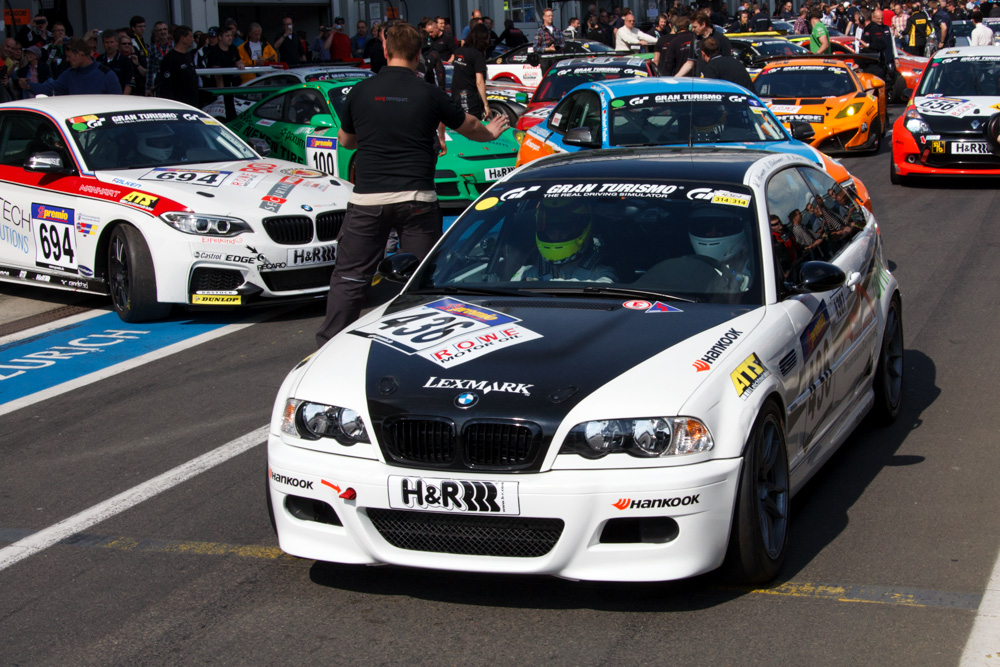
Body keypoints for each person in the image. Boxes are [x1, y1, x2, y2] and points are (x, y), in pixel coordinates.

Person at [315, 21, 509, 347]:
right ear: (419, 55)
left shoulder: (361, 92)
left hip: (368, 202)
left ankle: (328, 348)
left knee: (350, 278)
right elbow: (469, 124)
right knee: (419, 280)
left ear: (386, 51)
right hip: (417, 199)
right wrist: (490, 133)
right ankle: (420, 349)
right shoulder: (429, 93)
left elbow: (346, 142)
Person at [511, 200, 616, 282]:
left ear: (582, 228)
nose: (557, 236)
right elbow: (510, 290)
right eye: (551, 231)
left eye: (564, 230)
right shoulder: (529, 272)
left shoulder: (599, 271)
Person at [21, 37, 121, 96]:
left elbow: (118, 107)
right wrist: (29, 85)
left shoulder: (107, 75)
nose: (67, 60)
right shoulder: (69, 74)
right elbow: (49, 89)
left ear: (80, 54)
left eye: (69, 56)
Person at [676, 11, 731, 77]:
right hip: (700, 80)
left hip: (716, 80)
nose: (693, 30)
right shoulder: (695, 39)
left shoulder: (721, 39)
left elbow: (727, 62)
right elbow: (690, 62)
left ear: (703, 24)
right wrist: (676, 77)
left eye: (695, 27)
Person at [452, 23, 490, 119]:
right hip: (469, 97)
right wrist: (486, 104)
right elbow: (479, 81)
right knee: (473, 127)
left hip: (455, 95)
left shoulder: (458, 51)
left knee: (459, 127)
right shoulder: (477, 54)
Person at [158, 25, 199, 107]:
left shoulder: (189, 56)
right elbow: (166, 86)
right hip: (178, 104)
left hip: (193, 104)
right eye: (190, 37)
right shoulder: (170, 58)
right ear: (182, 38)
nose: (193, 40)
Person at [860, 8, 896, 80]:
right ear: (873, 18)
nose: (880, 21)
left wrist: (896, 57)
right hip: (876, 61)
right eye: (878, 19)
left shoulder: (886, 28)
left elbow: (892, 43)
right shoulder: (869, 29)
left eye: (882, 19)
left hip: (888, 59)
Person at [100, 29, 135, 95]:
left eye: (111, 42)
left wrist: (123, 99)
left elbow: (129, 84)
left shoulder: (125, 60)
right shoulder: (99, 60)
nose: (109, 45)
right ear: (103, 43)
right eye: (106, 42)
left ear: (117, 43)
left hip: (119, 97)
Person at [146, 21, 173, 94]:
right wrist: (148, 87)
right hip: (160, 80)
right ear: (155, 33)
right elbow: (150, 69)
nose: (163, 32)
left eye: (164, 29)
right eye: (160, 30)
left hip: (174, 79)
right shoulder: (152, 48)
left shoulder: (175, 45)